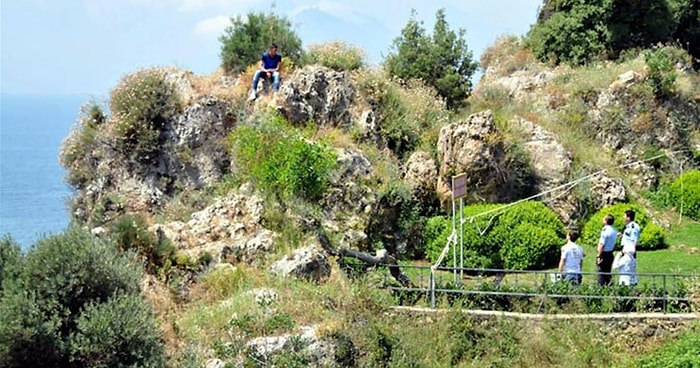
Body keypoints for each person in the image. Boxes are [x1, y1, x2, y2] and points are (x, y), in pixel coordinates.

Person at [596, 214, 618, 286]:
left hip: (604, 254)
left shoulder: (605, 231)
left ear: (606, 221)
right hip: (610, 253)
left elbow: (602, 244)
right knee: (608, 272)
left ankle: (600, 288)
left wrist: (599, 256)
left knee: (601, 273)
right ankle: (610, 286)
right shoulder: (614, 231)